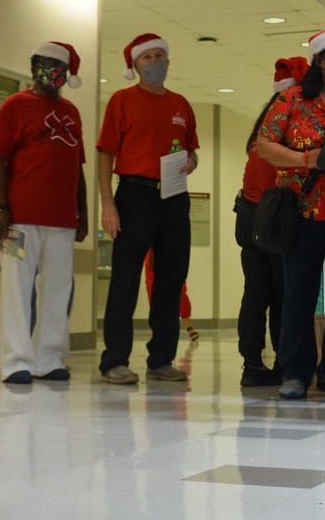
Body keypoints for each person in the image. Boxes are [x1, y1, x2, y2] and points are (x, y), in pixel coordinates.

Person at [256, 27, 325, 400]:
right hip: (300, 210)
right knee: (298, 293)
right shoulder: (293, 98)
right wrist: (306, 159)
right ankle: (295, 371)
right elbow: (264, 146)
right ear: (321, 59)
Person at [97, 32, 199, 385]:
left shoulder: (181, 104)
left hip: (173, 196)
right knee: (125, 279)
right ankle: (115, 360)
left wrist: (190, 160)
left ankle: (161, 359)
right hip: (133, 195)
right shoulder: (122, 101)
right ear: (135, 66)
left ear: (168, 61)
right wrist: (107, 204)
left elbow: (191, 152)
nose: (156, 62)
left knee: (171, 279)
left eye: (161, 55)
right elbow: (105, 154)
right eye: (147, 58)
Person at [0, 41, 89, 384]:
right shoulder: (15, 106)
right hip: (18, 218)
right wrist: (1, 207)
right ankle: (16, 362)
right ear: (33, 69)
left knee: (58, 289)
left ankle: (50, 358)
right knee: (16, 289)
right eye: (45, 64)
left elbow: (78, 168)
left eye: (59, 67)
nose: (52, 71)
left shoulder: (72, 113)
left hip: (61, 220)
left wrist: (83, 213)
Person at [236, 56, 308, 387]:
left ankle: (252, 364)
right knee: (282, 293)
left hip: (251, 216)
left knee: (255, 293)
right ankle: (283, 361)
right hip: (277, 216)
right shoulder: (289, 121)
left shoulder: (261, 125)